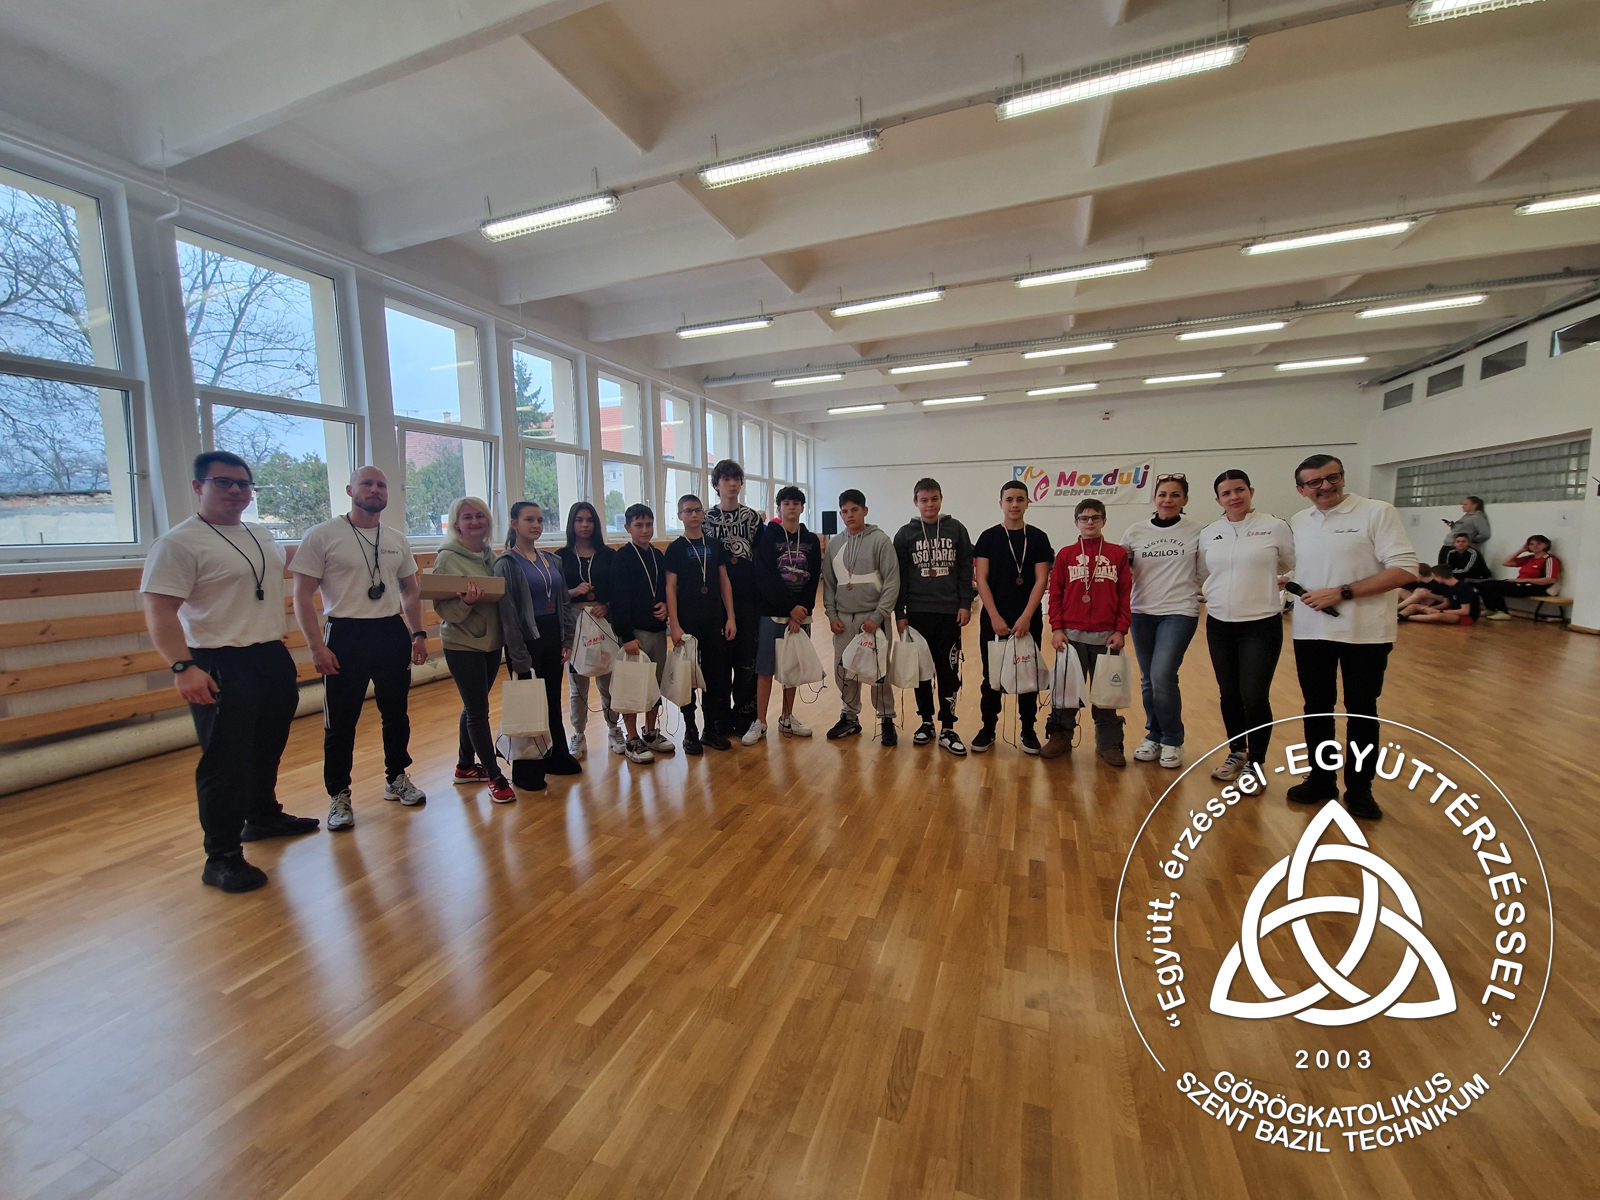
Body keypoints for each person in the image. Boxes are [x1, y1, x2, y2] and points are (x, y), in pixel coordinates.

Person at [140, 451, 320, 893]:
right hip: (217, 660)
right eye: (223, 482)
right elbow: (160, 611)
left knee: (266, 746)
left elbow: (295, 563)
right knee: (225, 762)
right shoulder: (178, 544)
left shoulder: (259, 534)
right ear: (198, 487)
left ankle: (262, 817)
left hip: (269, 655)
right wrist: (183, 667)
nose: (236, 491)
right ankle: (220, 857)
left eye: (243, 484)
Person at [291, 466, 430, 831]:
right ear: (350, 489)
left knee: (396, 714)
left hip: (390, 631)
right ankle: (338, 795)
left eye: (381, 484)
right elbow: (301, 595)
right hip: (345, 634)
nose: (374, 489)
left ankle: (396, 777)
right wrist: (316, 646)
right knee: (340, 723)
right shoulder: (322, 535)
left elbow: (409, 588)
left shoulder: (396, 538)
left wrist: (418, 633)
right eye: (366, 483)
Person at [1287, 454, 1418, 820]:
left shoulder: (1377, 512)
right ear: (1301, 490)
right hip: (1311, 632)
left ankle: (1360, 791)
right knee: (1317, 710)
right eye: (1315, 482)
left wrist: (1342, 592)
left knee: (1362, 713)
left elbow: (1405, 569)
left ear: (1342, 477)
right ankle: (1321, 780)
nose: (1325, 486)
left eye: (1332, 478)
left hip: (1366, 634)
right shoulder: (1299, 521)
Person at [1200, 470, 1296, 783]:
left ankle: (1256, 762)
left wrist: (1280, 580)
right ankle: (1237, 752)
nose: (1234, 497)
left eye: (1239, 490)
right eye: (1226, 493)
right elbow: (1203, 572)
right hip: (1219, 624)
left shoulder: (1275, 527)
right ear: (1218, 500)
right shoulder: (1209, 533)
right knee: (1229, 693)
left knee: (1254, 695)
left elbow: (1292, 563)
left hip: (1261, 624)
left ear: (1250, 491)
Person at [432, 496, 516, 804]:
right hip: (461, 643)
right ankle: (495, 776)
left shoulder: (492, 557)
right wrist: (466, 603)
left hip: (491, 642)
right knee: (479, 710)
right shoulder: (447, 559)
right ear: (457, 525)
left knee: (473, 706)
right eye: (467, 517)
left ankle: (465, 766)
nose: (475, 522)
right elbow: (442, 607)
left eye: (479, 516)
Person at [494, 500, 583, 790]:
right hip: (525, 640)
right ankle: (526, 770)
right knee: (529, 703)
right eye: (529, 520)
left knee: (551, 699)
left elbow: (564, 602)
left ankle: (555, 756)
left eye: (540, 520)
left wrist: (566, 638)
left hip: (552, 635)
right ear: (514, 524)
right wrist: (518, 654)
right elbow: (507, 614)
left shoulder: (551, 560)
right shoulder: (506, 563)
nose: (536, 525)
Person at [1121, 473, 1203, 770]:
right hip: (1142, 612)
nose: (1168, 500)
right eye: (1163, 495)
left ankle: (1172, 738)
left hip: (1179, 612)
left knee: (1163, 675)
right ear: (1154, 499)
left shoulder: (1197, 532)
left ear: (1185, 500)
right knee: (1148, 679)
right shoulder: (1135, 531)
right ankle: (1154, 735)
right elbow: (1123, 569)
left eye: (1175, 495)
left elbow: (1204, 571)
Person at [1043, 498, 1132, 765]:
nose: (1089, 522)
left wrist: (1121, 629)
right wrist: (1057, 628)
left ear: (1104, 521)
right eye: (1084, 518)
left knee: (1107, 694)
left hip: (1108, 638)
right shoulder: (1065, 555)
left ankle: (1108, 744)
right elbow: (1055, 595)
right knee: (1065, 692)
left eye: (1095, 517)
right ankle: (1061, 736)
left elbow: (1125, 594)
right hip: (1071, 637)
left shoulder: (1117, 554)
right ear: (1076, 522)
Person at [893, 477, 975, 755]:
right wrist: (900, 612)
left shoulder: (956, 529)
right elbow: (899, 577)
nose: (930, 504)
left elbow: (965, 568)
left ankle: (948, 727)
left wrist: (965, 603)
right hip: (917, 614)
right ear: (915, 502)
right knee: (921, 672)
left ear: (941, 499)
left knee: (948, 671)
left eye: (934, 499)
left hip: (949, 613)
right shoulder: (905, 534)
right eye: (924, 500)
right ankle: (926, 722)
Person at [972, 480, 1053, 754]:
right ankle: (987, 728)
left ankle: (1028, 730)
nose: (1014, 504)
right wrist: (994, 616)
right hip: (994, 619)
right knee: (991, 676)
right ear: (1001, 504)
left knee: (1027, 674)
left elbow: (1041, 580)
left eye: (1020, 499)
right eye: (1009, 499)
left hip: (1027, 620)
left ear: (1028, 502)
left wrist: (1027, 615)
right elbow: (981, 580)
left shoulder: (1038, 538)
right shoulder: (988, 537)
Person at [822, 489, 901, 745]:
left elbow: (892, 582)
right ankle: (849, 717)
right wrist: (832, 614)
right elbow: (829, 584)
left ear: (865, 511)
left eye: (854, 510)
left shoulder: (880, 541)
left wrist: (878, 616)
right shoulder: (834, 544)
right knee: (844, 671)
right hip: (844, 620)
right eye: (844, 511)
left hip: (873, 620)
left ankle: (886, 719)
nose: (849, 515)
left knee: (878, 672)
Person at [746, 485, 823, 744]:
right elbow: (765, 576)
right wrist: (789, 608)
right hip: (772, 613)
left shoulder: (811, 540)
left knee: (792, 668)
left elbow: (813, 578)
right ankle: (760, 721)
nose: (791, 508)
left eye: (795, 504)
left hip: (799, 616)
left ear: (802, 508)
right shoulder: (768, 537)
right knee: (765, 669)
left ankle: (787, 717)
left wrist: (801, 611)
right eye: (786, 503)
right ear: (779, 508)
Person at [665, 494, 736, 754]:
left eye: (697, 510)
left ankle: (710, 730)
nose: (693, 515)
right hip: (687, 624)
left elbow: (724, 581)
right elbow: (670, 588)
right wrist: (674, 625)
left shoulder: (714, 545)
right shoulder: (675, 548)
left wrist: (731, 616)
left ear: (703, 513)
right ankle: (690, 731)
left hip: (714, 619)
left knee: (714, 676)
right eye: (688, 511)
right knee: (688, 677)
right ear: (680, 515)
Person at [702, 460, 766, 735]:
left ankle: (744, 717)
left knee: (746, 662)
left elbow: (761, 559)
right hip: (715, 603)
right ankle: (718, 719)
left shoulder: (753, 518)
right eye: (725, 479)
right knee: (718, 663)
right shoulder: (705, 519)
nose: (731, 483)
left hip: (748, 601)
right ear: (716, 485)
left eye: (736, 479)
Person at [608, 504, 674, 763]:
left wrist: (665, 606)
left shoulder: (658, 555)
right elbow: (618, 600)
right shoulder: (622, 558)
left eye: (649, 524)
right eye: (639, 525)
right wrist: (626, 636)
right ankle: (632, 737)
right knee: (634, 685)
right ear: (628, 528)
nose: (645, 530)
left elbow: (665, 588)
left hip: (657, 632)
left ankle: (650, 731)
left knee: (654, 684)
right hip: (635, 634)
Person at [556, 501, 619, 758]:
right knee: (577, 685)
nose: (585, 525)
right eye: (579, 520)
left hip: (602, 621)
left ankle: (614, 729)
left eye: (589, 520)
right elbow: (555, 595)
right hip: (575, 624)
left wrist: (606, 605)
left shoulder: (608, 555)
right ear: (572, 524)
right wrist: (572, 592)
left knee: (608, 681)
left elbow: (618, 589)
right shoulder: (561, 556)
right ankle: (578, 734)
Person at [1476, 535, 1562, 620]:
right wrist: (1521, 550)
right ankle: (1491, 609)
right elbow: (1506, 563)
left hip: (1537, 586)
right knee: (1484, 584)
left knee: (1494, 586)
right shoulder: (1530, 558)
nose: (1535, 546)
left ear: (1546, 545)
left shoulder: (1549, 560)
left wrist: (1524, 580)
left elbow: (1551, 579)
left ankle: (1503, 612)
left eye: (1539, 544)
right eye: (1532, 544)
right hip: (1521, 584)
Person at [1401, 564, 1479, 624]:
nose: (1434, 579)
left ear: (1440, 577)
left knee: (1438, 616)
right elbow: (1446, 604)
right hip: (1450, 610)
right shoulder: (1447, 586)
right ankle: (1399, 615)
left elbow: (1465, 611)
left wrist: (1439, 611)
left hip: (1465, 616)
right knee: (1414, 606)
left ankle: (1406, 618)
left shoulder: (1463, 588)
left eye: (1434, 577)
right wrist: (1431, 608)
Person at [1437, 496, 1490, 567]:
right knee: (1441, 567)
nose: (1462, 506)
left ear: (1475, 505)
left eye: (1465, 504)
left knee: (1448, 568)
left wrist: (1470, 540)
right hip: (1449, 545)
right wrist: (1452, 526)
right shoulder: (1466, 516)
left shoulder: (1477, 517)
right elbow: (1461, 529)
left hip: (1456, 547)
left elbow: (1485, 534)